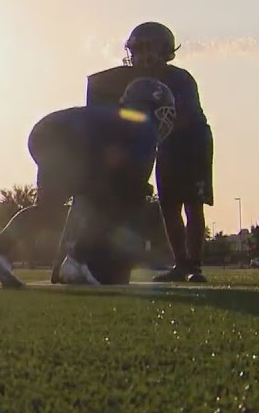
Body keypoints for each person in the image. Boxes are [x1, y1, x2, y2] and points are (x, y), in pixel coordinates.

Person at [0, 78, 176, 288]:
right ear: (154, 107)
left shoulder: (115, 118)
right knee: (122, 201)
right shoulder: (144, 126)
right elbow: (135, 182)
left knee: (49, 210)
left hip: (46, 132)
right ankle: (78, 260)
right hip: (69, 140)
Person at [88, 22, 213, 283]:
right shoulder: (131, 82)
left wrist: (148, 130)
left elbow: (185, 117)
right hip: (163, 143)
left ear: (166, 51)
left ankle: (195, 265)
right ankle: (180, 263)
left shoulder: (179, 79)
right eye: (137, 49)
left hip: (191, 142)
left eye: (149, 48)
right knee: (168, 206)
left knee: (192, 203)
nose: (142, 55)